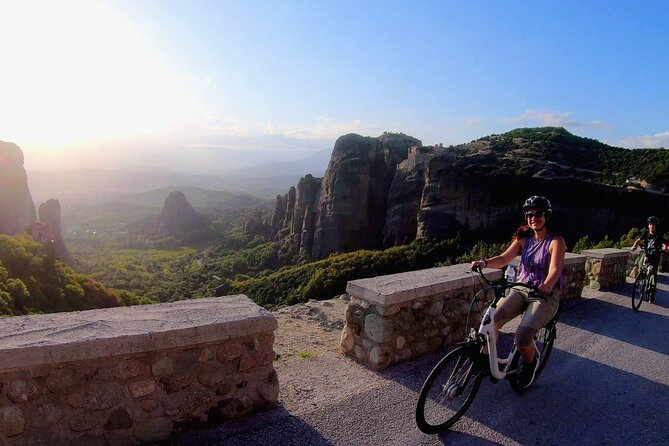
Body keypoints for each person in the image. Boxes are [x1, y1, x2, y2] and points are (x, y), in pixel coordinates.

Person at [470, 195, 566, 389]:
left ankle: (531, 364)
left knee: (522, 338)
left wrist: (547, 284)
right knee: (492, 320)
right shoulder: (524, 240)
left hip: (544, 295)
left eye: (538, 214)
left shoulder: (556, 241)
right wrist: (484, 263)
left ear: (546, 216)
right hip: (521, 288)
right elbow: (504, 258)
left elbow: (555, 269)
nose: (533, 218)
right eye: (529, 214)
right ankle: (485, 360)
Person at [631, 216, 668, 303]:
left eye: (653, 225)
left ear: (656, 226)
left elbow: (664, 244)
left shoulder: (658, 235)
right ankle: (640, 280)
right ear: (648, 226)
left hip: (654, 257)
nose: (652, 226)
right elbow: (638, 240)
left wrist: (665, 248)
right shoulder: (646, 233)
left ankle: (651, 293)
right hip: (646, 255)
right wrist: (634, 246)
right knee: (641, 266)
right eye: (650, 224)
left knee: (652, 275)